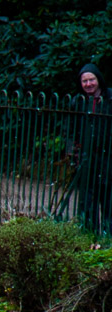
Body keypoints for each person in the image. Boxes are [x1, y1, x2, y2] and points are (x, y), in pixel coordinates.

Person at [70, 64, 112, 236]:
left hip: (108, 157)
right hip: (87, 159)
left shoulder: (109, 98)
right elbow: (71, 130)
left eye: (91, 80)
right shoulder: (78, 102)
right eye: (85, 81)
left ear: (98, 80)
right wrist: (73, 150)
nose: (88, 84)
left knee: (108, 199)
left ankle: (109, 238)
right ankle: (90, 235)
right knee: (88, 200)